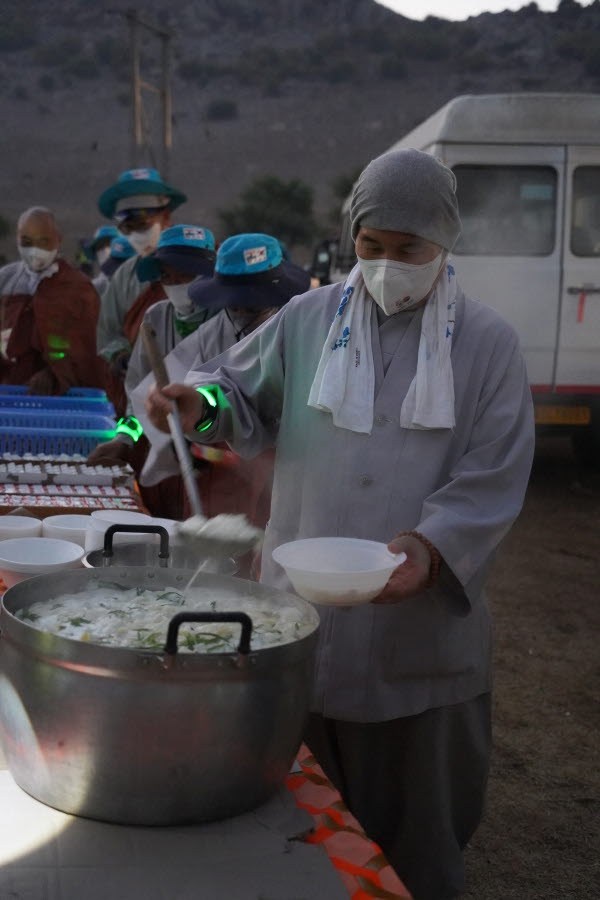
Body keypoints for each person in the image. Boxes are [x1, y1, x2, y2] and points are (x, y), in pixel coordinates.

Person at [146, 150, 535, 899]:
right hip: (304, 621)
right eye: (372, 246)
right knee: (301, 837)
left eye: (408, 249)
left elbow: (491, 479)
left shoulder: (486, 345)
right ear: (351, 237)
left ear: (445, 243)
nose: (388, 264)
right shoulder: (307, 318)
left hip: (418, 638)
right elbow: (238, 393)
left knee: (416, 840)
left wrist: (430, 549)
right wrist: (201, 406)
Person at [132, 232, 310, 533]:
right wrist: (197, 408)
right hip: (218, 474)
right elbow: (204, 395)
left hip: (282, 474)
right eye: (234, 306)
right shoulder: (211, 334)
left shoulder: (303, 331)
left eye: (251, 307)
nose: (240, 314)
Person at [87, 225, 218, 518]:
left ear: (209, 274)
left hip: (215, 463)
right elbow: (138, 394)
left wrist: (198, 439)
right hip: (165, 455)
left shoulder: (225, 321)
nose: (174, 284)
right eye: (166, 277)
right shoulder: (156, 318)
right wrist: (125, 438)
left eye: (183, 275)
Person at [0, 206, 106, 394]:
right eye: (27, 242)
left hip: (59, 394)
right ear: (17, 239)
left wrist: (53, 373)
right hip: (9, 389)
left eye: (44, 242)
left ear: (58, 241)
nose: (35, 250)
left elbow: (86, 347)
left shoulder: (78, 288)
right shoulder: (5, 279)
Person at [95, 167, 187, 371]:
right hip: (139, 381)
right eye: (128, 228)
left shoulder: (193, 262)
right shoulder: (125, 274)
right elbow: (107, 331)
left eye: (143, 225)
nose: (136, 235)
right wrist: (120, 354)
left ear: (166, 217)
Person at [89, 225, 120, 296]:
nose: (106, 250)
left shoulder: (135, 278)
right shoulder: (94, 287)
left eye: (110, 244)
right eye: (100, 247)